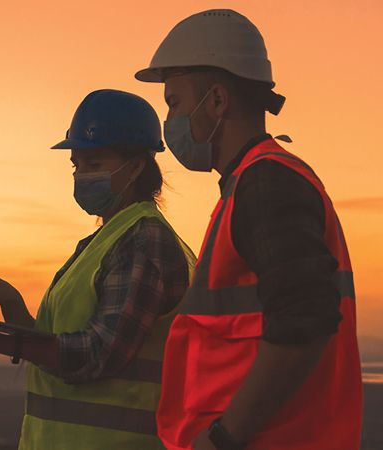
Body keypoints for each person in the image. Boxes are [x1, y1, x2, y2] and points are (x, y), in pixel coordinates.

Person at [134, 9, 362, 450]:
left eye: (175, 103)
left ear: (218, 101)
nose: (170, 124)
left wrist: (224, 437)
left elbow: (306, 318)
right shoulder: (248, 186)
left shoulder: (267, 183)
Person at [0, 89, 196, 449]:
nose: (81, 176)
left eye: (94, 164)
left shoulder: (143, 241)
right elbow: (64, 350)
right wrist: (15, 312)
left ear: (136, 166)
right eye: (77, 166)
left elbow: (96, 355)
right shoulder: (107, 240)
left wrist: (4, 339)